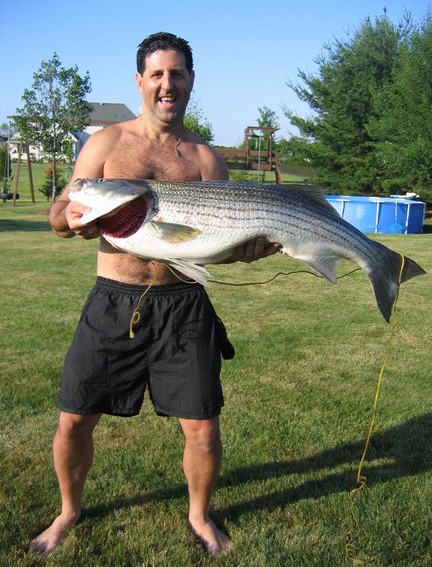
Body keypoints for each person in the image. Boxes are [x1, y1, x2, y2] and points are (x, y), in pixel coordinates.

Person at [31, 32, 279, 558]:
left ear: (191, 81)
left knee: (203, 428)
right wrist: (68, 217)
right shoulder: (106, 143)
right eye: (158, 74)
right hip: (112, 300)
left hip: (184, 306)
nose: (168, 85)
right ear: (140, 80)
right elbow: (59, 213)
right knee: (73, 417)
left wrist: (251, 248)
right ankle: (68, 511)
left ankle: (199, 515)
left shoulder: (207, 161)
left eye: (178, 74)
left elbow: (220, 244)